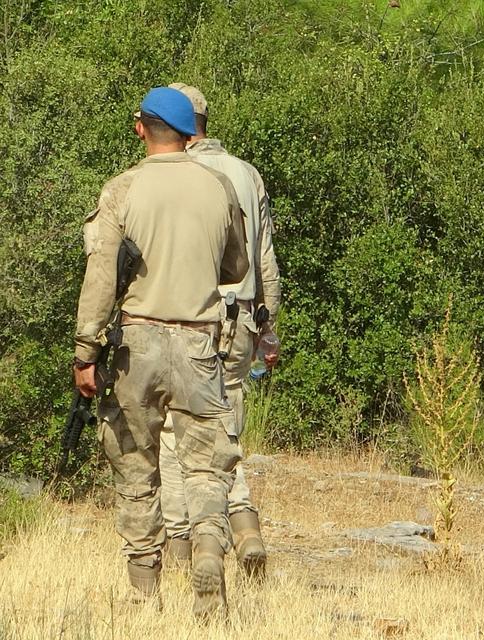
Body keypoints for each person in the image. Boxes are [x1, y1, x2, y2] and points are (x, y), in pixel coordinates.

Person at [73, 86, 247, 619]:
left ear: (141, 128)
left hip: (136, 343)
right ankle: (210, 555)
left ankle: (144, 592)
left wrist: (85, 350)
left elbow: (101, 276)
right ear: (190, 133)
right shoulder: (217, 186)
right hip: (198, 341)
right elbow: (236, 268)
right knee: (206, 467)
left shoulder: (123, 189)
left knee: (135, 464)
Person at [158, 83, 281, 580]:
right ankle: (245, 525)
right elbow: (265, 258)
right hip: (242, 319)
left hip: (188, 320)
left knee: (173, 433)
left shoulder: (173, 176)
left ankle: (183, 544)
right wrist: (267, 326)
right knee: (224, 426)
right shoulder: (247, 174)